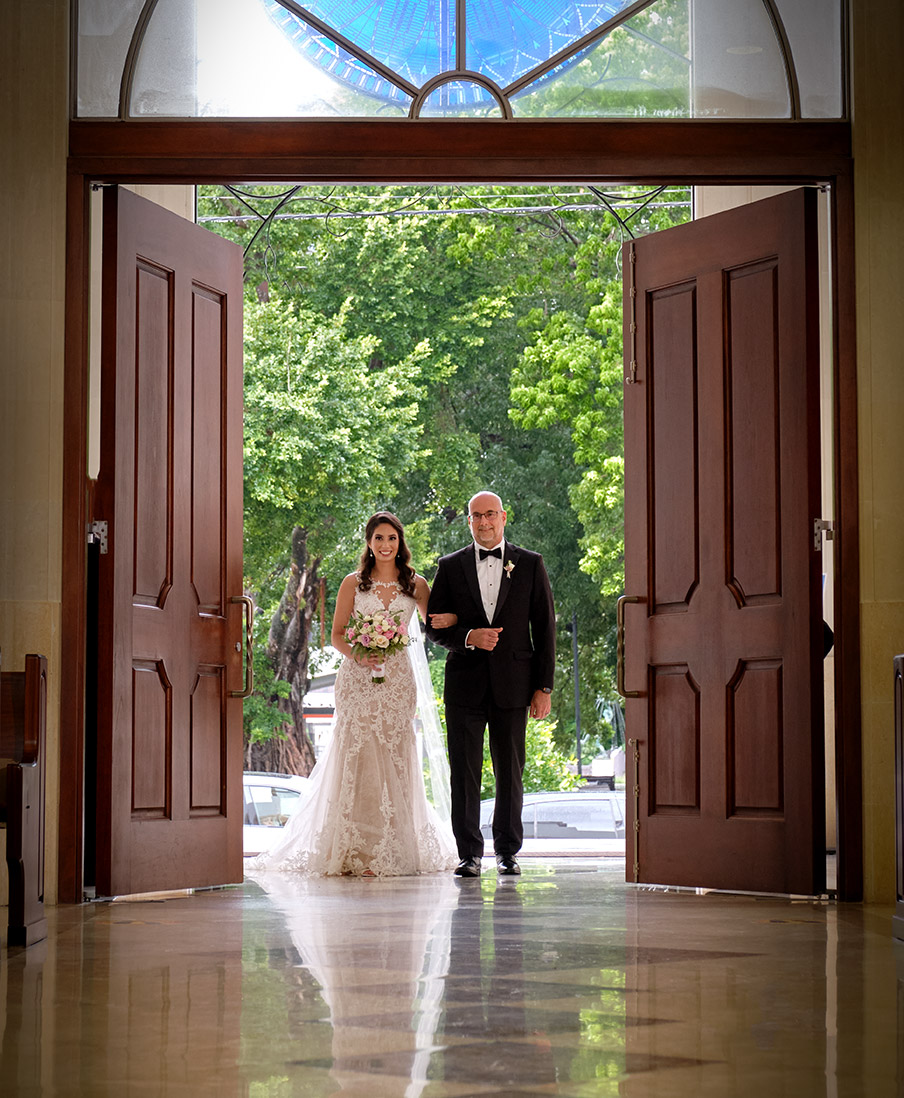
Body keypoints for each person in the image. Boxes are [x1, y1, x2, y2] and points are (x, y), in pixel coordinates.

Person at [247, 512, 458, 878]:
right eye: (378, 538)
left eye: (391, 538)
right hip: (358, 677)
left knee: (395, 751)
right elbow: (337, 635)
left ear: (400, 541)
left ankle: (396, 843)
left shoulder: (416, 584)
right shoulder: (353, 583)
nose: (385, 545)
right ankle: (352, 847)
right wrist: (360, 651)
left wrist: (456, 620)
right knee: (357, 751)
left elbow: (434, 622)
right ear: (369, 542)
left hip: (397, 680)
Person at [426, 491, 555, 877]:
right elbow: (432, 625)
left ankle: (508, 851)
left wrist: (543, 687)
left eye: (490, 515)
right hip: (464, 685)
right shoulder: (449, 566)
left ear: (503, 517)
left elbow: (544, 629)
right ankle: (468, 854)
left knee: (510, 771)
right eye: (476, 516)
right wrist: (468, 637)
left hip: (515, 684)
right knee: (464, 773)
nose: (483, 522)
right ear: (468, 521)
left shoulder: (530, 564)